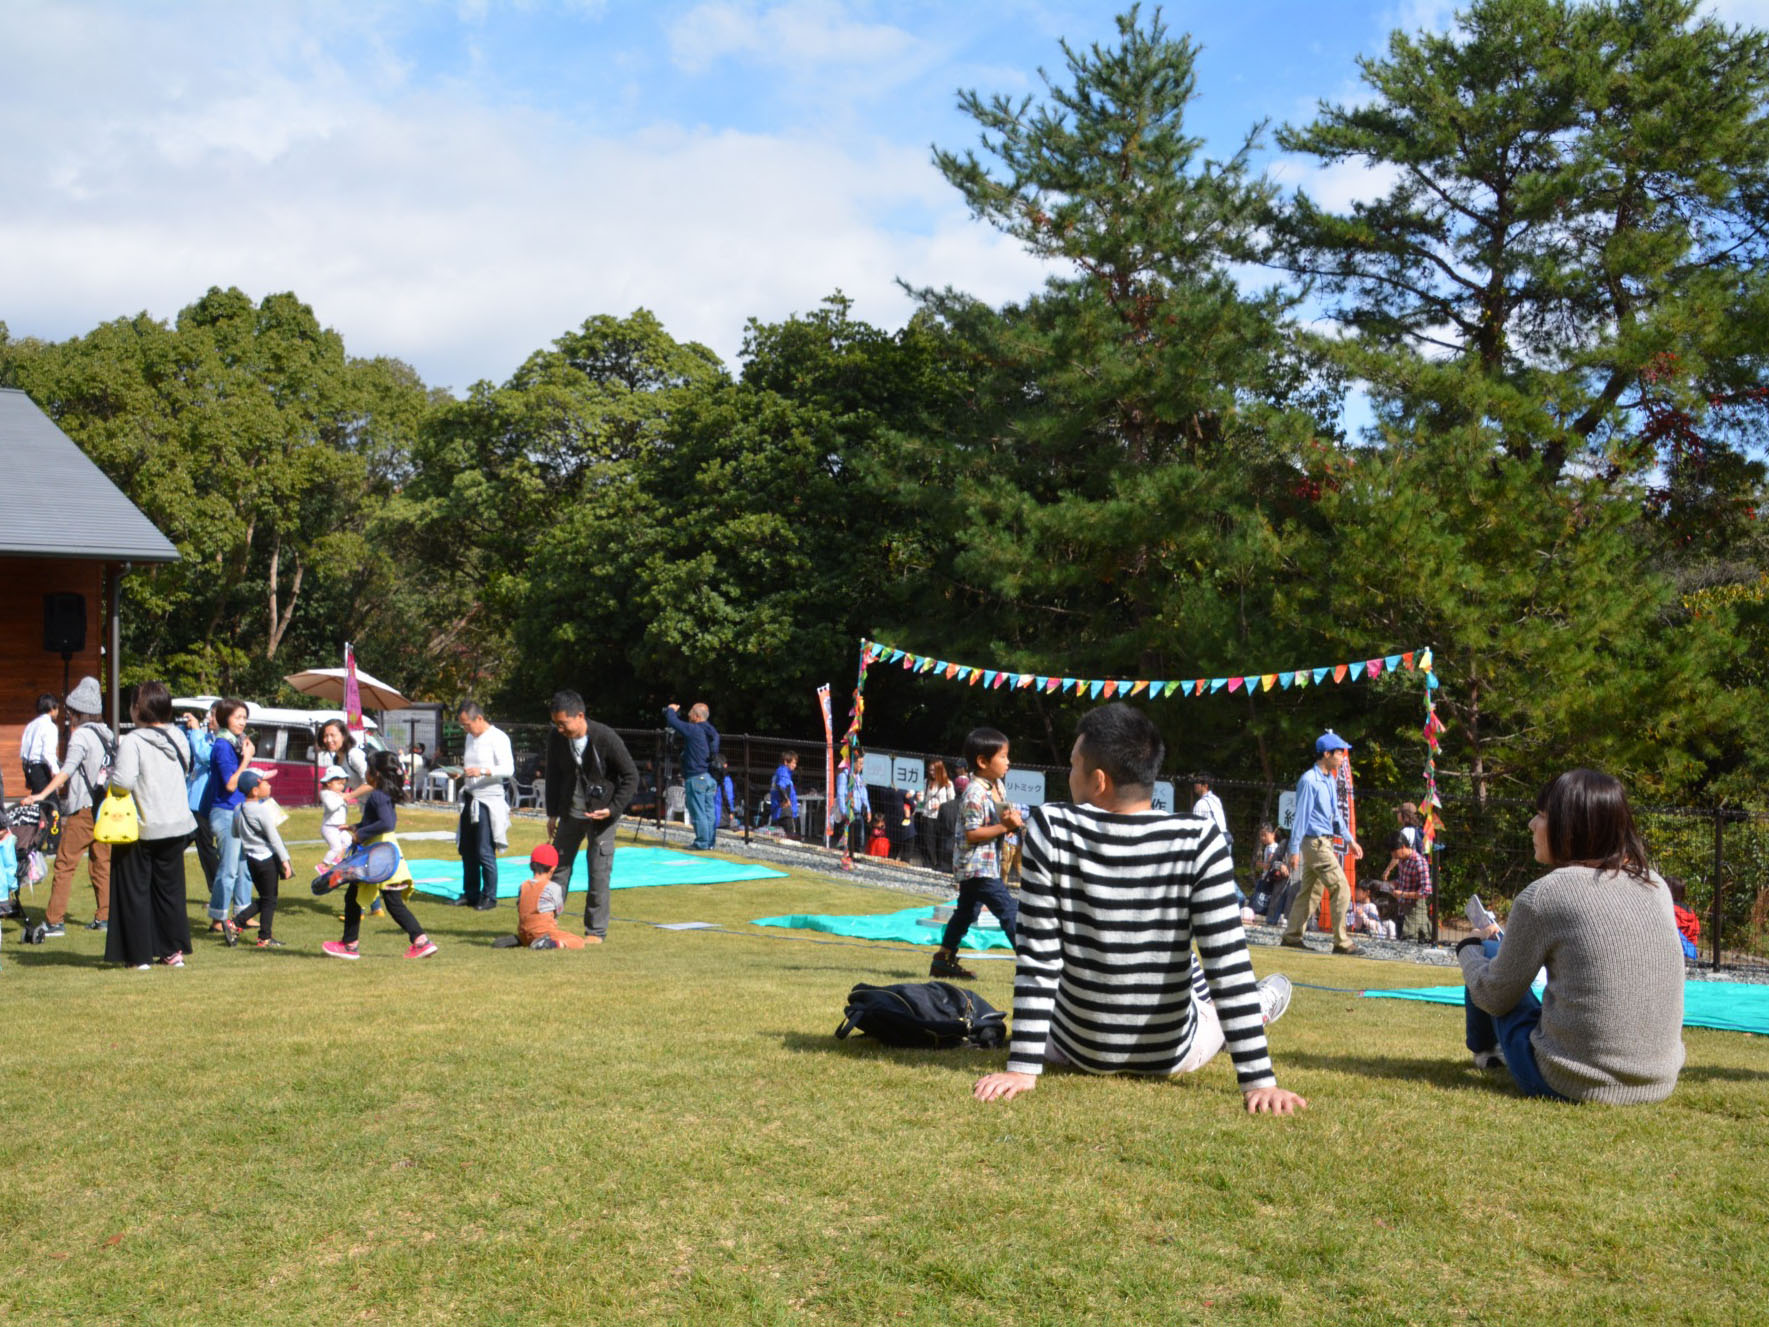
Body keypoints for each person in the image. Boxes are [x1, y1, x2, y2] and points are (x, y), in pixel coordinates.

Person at [972, 703, 1305, 1116]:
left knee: (1178, 959)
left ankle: (1244, 1002)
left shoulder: (1050, 827)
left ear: (1098, 780)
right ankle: (1261, 1003)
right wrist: (1259, 1080)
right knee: (1202, 970)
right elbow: (1229, 964)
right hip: (1173, 1053)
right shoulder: (1198, 839)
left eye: (1073, 765)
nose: (1069, 774)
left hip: (1077, 1048)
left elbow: (1040, 957)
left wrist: (1022, 1069)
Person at [1457, 769, 1684, 1104]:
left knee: (1488, 952)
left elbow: (1494, 997)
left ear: (1572, 827)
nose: (1532, 825)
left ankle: (1485, 1050)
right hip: (1658, 1082)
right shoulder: (1655, 884)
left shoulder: (1545, 895)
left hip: (1568, 1081)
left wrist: (1468, 948)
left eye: (1543, 816)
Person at [104, 681, 197, 969]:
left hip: (142, 826)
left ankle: (139, 955)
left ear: (137, 708)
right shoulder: (179, 736)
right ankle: (172, 952)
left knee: (134, 891)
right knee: (170, 891)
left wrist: (107, 782)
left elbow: (123, 782)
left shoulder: (134, 740)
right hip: (176, 824)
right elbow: (188, 766)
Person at [20, 676, 116, 937]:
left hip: (83, 808)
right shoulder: (107, 733)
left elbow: (66, 772)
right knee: (101, 863)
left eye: (70, 712)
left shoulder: (80, 737)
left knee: (64, 864)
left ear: (77, 712)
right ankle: (104, 916)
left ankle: (54, 921)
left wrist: (41, 795)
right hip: (105, 808)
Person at [545, 690, 639, 945]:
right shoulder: (556, 738)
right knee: (557, 870)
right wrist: (552, 812)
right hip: (569, 815)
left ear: (580, 716)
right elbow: (553, 775)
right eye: (556, 723)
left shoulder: (605, 737)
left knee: (598, 872)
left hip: (602, 818)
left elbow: (631, 776)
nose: (560, 729)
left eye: (563, 723)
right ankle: (547, 924)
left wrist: (613, 808)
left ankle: (595, 932)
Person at [929, 728, 1023, 981]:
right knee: (1008, 910)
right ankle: (1031, 967)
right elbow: (972, 833)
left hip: (985, 865)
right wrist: (1004, 826)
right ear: (983, 761)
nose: (1008, 762)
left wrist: (1010, 823)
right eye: (1003, 757)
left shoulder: (996, 786)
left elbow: (1000, 817)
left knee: (966, 912)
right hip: (977, 867)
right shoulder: (974, 793)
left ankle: (943, 959)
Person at [322, 751, 434, 960]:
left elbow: (386, 823)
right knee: (391, 902)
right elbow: (380, 821)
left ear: (376, 774)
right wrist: (356, 826)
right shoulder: (384, 794)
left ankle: (349, 945)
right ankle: (421, 941)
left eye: (368, 770)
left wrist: (359, 836)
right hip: (385, 854)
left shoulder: (377, 795)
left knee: (356, 897)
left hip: (378, 856)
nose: (365, 773)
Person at [1280, 731, 1364, 955]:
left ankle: (1291, 936)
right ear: (1326, 754)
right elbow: (1301, 817)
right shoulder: (1309, 780)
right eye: (1339, 753)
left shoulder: (1329, 779)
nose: (1342, 757)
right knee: (1342, 888)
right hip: (1315, 843)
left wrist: (1350, 841)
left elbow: (1336, 815)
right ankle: (1342, 943)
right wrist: (1294, 849)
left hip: (1322, 842)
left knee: (1309, 892)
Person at [198, 698, 259, 932]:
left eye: (245, 717)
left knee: (244, 864)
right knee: (229, 867)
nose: (242, 722)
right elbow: (231, 784)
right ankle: (218, 917)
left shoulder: (235, 742)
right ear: (225, 719)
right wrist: (246, 760)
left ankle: (243, 915)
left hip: (238, 810)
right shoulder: (223, 746)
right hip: (224, 812)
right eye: (237, 717)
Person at [456, 702, 514, 910]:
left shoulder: (498, 738)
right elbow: (470, 768)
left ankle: (490, 896)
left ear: (479, 718)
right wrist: (460, 773)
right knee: (467, 848)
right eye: (463, 726)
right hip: (471, 795)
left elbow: (508, 768)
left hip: (488, 799)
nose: (466, 729)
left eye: (467, 725)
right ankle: (470, 893)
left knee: (484, 849)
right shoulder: (469, 738)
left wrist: (484, 771)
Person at [223, 771, 291, 950]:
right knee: (270, 900)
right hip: (266, 858)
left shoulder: (238, 808)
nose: (268, 786)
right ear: (255, 790)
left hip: (251, 859)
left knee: (266, 898)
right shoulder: (261, 810)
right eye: (264, 784)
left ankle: (239, 925)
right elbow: (274, 837)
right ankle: (262, 937)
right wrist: (285, 861)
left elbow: (234, 833)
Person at [663, 702, 722, 850]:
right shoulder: (711, 731)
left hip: (696, 777)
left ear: (696, 716)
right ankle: (710, 843)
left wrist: (671, 710)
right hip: (708, 777)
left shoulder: (694, 730)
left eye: (690, 713)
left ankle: (701, 842)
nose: (688, 716)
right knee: (709, 812)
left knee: (698, 811)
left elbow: (673, 722)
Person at [179, 704, 221, 891]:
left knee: (206, 851)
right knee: (177, 847)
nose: (208, 719)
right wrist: (184, 728)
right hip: (191, 805)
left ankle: (218, 891)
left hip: (204, 806)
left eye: (212, 715)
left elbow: (204, 755)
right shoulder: (207, 738)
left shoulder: (223, 743)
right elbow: (189, 745)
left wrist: (195, 731)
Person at [516, 843, 585, 950]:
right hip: (542, 932)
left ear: (532, 865)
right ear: (553, 868)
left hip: (523, 932)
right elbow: (559, 910)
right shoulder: (553, 887)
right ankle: (551, 944)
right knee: (578, 941)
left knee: (530, 933)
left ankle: (522, 940)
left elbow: (519, 906)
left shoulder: (523, 885)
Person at [1381, 830, 1434, 941]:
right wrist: (1394, 883)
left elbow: (1426, 891)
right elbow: (1404, 880)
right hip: (1403, 908)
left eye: (1394, 851)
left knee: (1408, 940)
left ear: (1404, 846)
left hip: (1416, 907)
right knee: (1404, 938)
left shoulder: (1419, 862)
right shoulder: (1401, 860)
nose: (1393, 855)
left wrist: (1403, 894)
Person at [916, 759, 956, 869]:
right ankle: (928, 866)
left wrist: (940, 806)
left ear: (939, 770)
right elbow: (921, 801)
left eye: (933, 770)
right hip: (927, 816)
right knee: (928, 843)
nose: (931, 772)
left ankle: (939, 866)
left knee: (940, 843)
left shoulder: (948, 784)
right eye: (930, 770)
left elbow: (951, 801)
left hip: (941, 817)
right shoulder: (926, 782)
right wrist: (919, 803)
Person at [20, 693, 62, 795]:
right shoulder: (50, 726)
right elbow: (48, 753)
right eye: (57, 708)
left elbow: (23, 752)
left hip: (30, 768)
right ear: (52, 709)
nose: (58, 712)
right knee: (50, 804)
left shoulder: (31, 725)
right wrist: (57, 773)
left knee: (38, 801)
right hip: (42, 769)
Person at [833, 755, 872, 855]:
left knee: (860, 840)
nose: (861, 766)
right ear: (853, 762)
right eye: (859, 763)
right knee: (847, 841)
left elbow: (864, 794)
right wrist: (843, 811)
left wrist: (868, 810)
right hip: (849, 812)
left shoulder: (860, 777)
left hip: (859, 813)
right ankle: (845, 859)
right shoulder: (844, 776)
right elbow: (840, 795)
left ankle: (855, 859)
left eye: (862, 763)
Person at [1249, 823, 1289, 916]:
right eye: (1261, 835)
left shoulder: (1273, 848)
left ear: (1272, 834)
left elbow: (1269, 865)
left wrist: (1260, 864)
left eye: (1264, 835)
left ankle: (1260, 911)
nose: (1262, 838)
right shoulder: (1268, 847)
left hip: (1271, 878)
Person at [318, 765, 352, 865]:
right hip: (330, 827)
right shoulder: (325, 794)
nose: (341, 787)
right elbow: (331, 807)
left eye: (343, 784)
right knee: (336, 847)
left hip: (340, 826)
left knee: (349, 842)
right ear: (328, 783)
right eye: (338, 784)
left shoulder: (337, 794)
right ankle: (323, 864)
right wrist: (342, 799)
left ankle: (338, 859)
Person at [1666, 876, 1701, 961]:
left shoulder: (1668, 908)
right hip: (1690, 949)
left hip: (1672, 949)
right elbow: (1696, 930)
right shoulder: (1690, 910)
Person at [769, 751, 800, 838]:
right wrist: (786, 799)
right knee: (790, 837)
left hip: (777, 810)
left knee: (777, 836)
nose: (795, 765)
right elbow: (781, 786)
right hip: (784, 811)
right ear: (786, 762)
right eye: (793, 763)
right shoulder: (783, 772)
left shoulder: (778, 772)